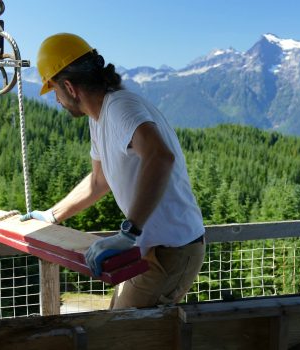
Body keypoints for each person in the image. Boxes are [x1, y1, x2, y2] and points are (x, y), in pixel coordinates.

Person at [21, 33, 205, 309]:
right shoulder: (99, 117)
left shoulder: (120, 108)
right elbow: (99, 180)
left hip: (171, 251)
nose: (56, 100)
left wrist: (129, 231)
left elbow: (160, 157)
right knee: (116, 323)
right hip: (152, 247)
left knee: (117, 333)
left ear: (70, 87)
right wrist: (52, 215)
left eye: (55, 90)